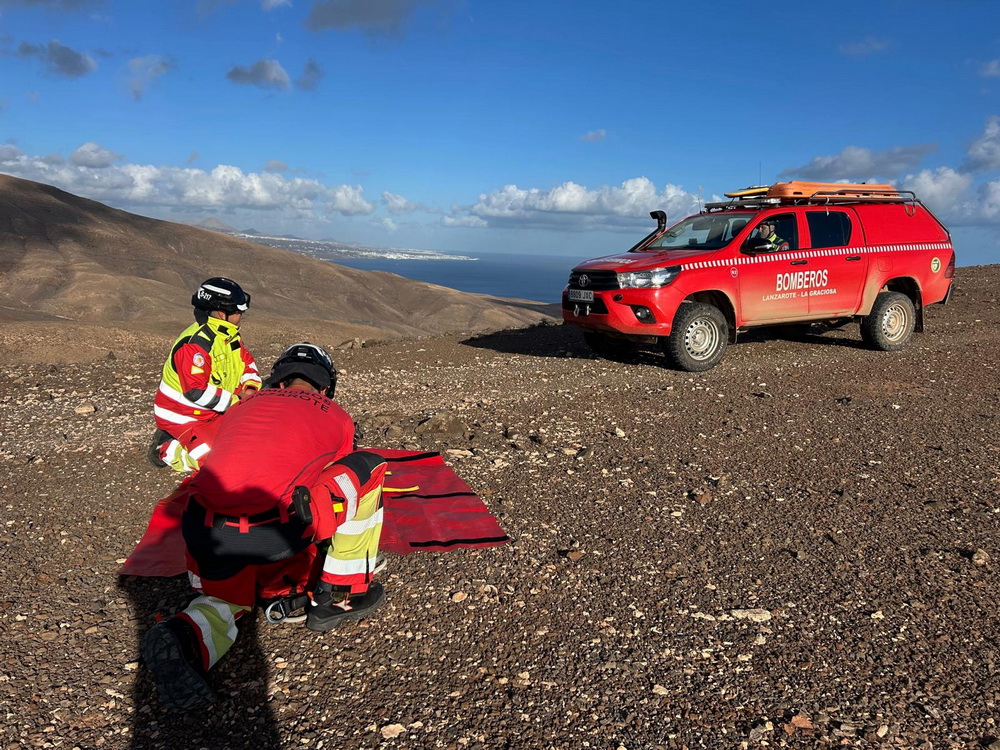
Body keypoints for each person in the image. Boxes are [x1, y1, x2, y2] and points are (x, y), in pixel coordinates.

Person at [141, 343, 388, 713]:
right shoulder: (337, 415)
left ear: (279, 379)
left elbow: (195, 448)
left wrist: (166, 452)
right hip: (276, 534)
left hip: (203, 533)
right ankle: (341, 595)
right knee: (369, 466)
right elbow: (328, 471)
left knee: (226, 601)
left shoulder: (242, 408)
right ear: (325, 388)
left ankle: (185, 637)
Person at [151, 278, 261, 472]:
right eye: (237, 311)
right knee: (217, 463)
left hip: (217, 408)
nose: (241, 315)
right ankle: (167, 448)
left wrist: (251, 387)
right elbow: (195, 391)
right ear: (221, 313)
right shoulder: (196, 345)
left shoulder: (228, 336)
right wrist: (238, 401)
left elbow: (246, 362)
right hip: (183, 415)